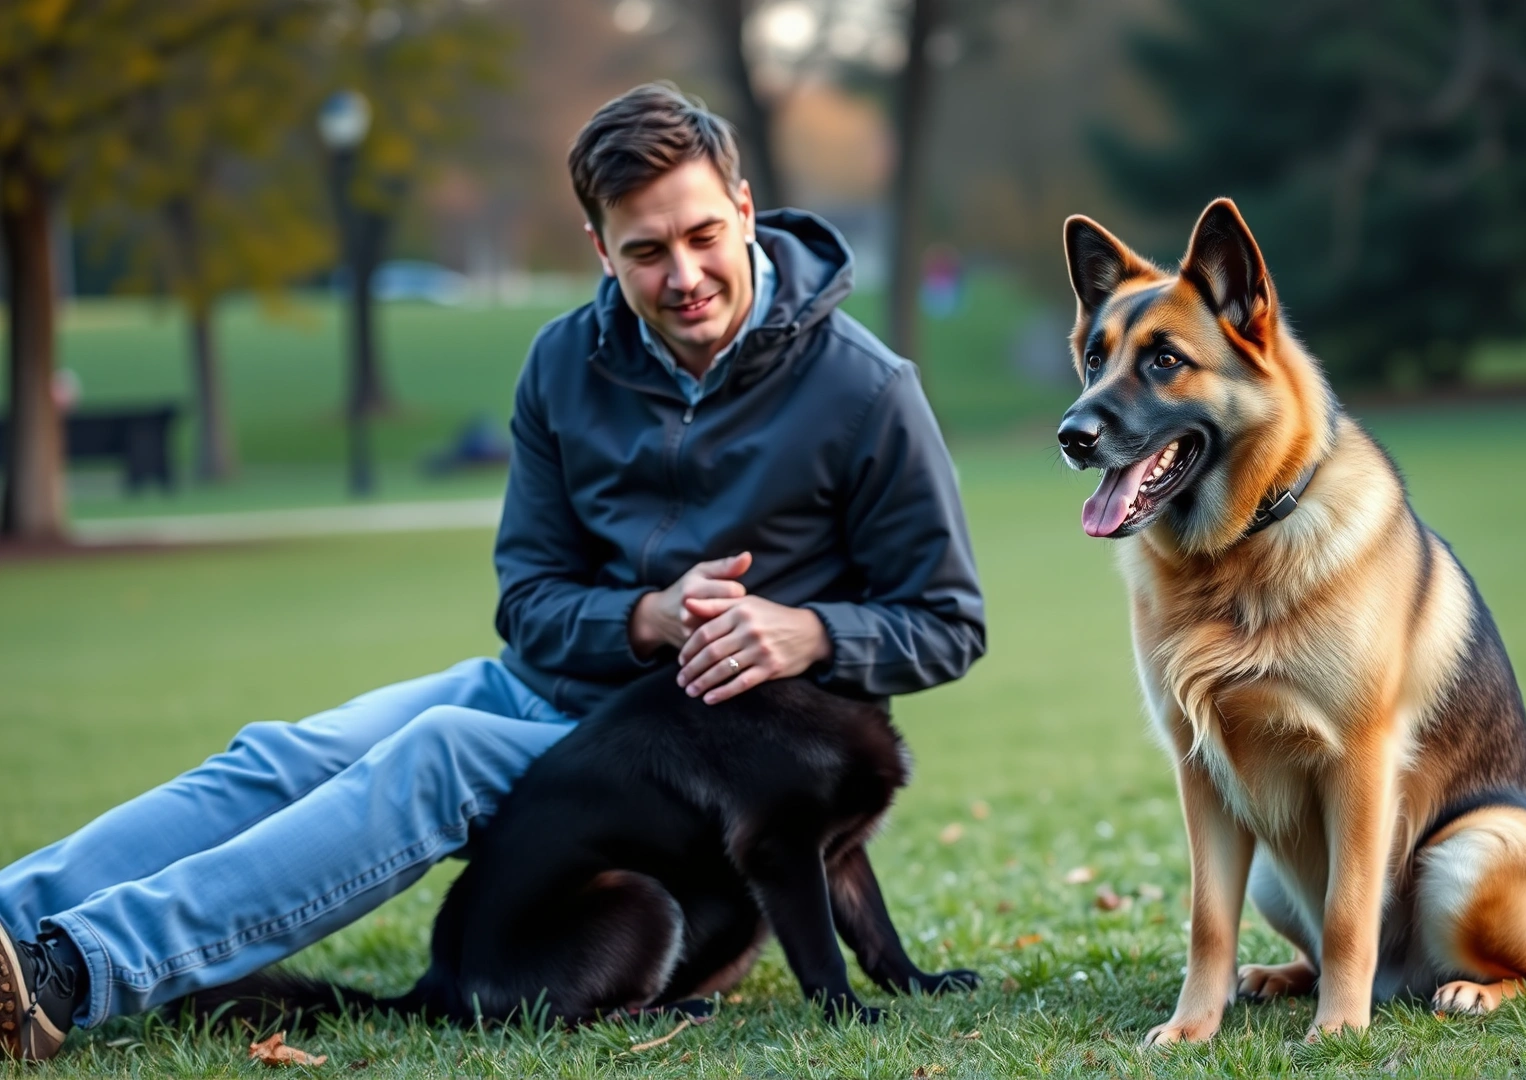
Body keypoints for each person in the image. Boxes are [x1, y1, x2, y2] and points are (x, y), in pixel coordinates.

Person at [0, 83, 985, 1061]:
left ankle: (76, 973)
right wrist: (644, 616)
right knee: (283, 754)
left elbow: (948, 621)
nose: (681, 275)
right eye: (644, 251)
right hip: (544, 694)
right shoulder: (564, 363)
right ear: (601, 249)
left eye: (700, 236)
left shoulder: (867, 389)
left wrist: (808, 631)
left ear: (743, 208)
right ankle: (10, 920)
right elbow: (530, 601)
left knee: (436, 758)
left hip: (689, 755)